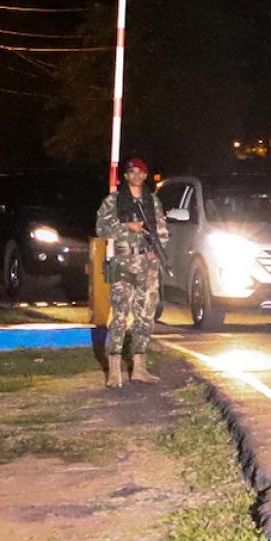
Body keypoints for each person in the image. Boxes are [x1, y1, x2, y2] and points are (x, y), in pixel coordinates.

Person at [96, 157, 169, 387]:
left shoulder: (152, 201)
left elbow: (162, 230)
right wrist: (126, 227)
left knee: (145, 315)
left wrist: (156, 251)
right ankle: (114, 368)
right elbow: (101, 228)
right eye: (132, 172)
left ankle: (139, 367)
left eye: (140, 172)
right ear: (126, 176)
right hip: (123, 262)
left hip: (147, 265)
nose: (136, 175)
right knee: (120, 315)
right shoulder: (114, 200)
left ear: (145, 176)